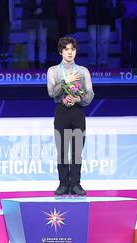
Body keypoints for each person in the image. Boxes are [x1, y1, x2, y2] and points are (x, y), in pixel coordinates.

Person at [47, 36, 94, 197]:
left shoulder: (83, 71)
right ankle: (63, 184)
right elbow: (51, 92)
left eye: (72, 49)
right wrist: (66, 81)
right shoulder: (53, 71)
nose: (70, 52)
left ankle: (75, 184)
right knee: (62, 150)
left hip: (77, 112)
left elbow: (90, 94)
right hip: (61, 112)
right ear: (61, 52)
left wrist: (77, 99)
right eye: (66, 49)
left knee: (76, 151)